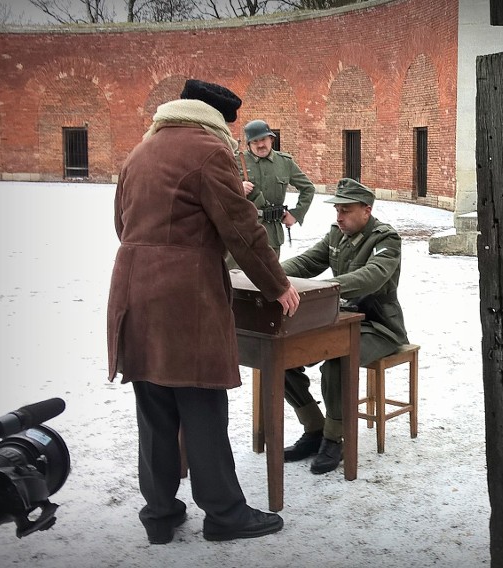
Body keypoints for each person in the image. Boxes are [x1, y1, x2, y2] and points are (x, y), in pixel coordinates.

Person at [106, 79, 300, 545]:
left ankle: (159, 513)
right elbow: (242, 230)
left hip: (133, 290)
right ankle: (225, 514)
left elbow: (121, 222)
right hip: (185, 298)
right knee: (202, 404)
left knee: (154, 408)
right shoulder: (209, 152)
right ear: (217, 120)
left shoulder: (140, 151)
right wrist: (278, 285)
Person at [279, 178, 409, 474]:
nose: (339, 217)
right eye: (337, 210)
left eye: (346, 210)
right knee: (281, 355)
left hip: (379, 325)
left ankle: (333, 439)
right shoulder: (336, 235)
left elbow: (372, 277)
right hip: (340, 320)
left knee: (339, 361)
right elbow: (305, 263)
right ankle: (314, 427)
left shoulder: (385, 238)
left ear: (367, 209)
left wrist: (323, 288)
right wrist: (270, 276)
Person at [234, 119, 316, 259]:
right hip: (242, 231)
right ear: (248, 144)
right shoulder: (235, 161)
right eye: (255, 141)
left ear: (271, 139)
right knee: (237, 277)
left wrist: (296, 214)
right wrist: (237, 188)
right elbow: (216, 190)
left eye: (263, 139)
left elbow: (308, 188)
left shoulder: (285, 162)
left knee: (269, 277)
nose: (260, 145)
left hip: (271, 234)